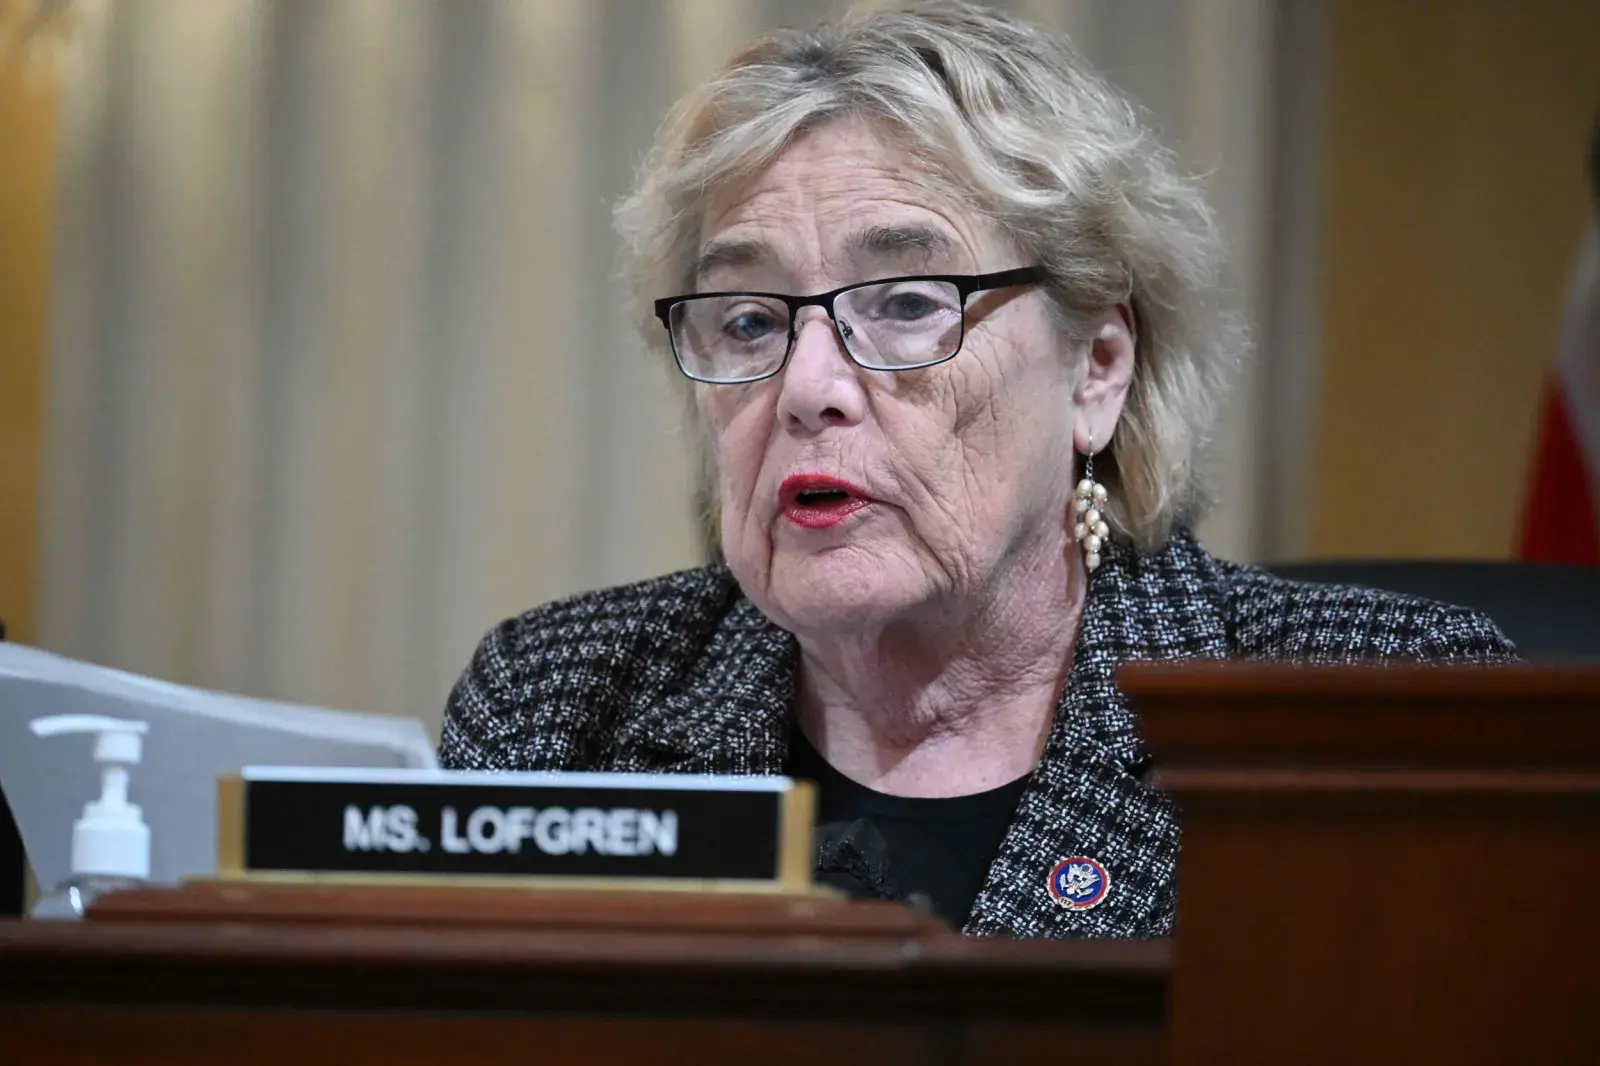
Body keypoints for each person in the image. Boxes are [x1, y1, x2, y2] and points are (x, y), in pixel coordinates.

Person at [439, 1, 1514, 937]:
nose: (808, 384)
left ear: (1096, 369)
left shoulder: (1373, 722)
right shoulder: (562, 705)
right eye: (751, 318)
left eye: (907, 303)